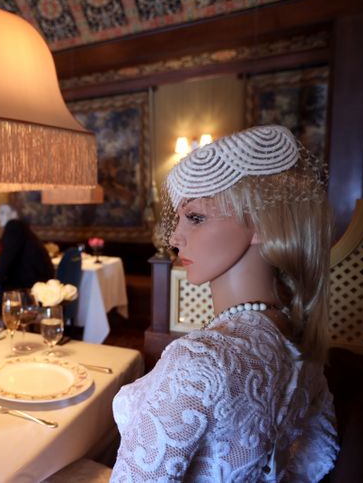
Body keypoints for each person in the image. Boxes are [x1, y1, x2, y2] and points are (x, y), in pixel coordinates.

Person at [111, 126, 339, 481]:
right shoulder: (297, 340)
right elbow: (317, 456)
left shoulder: (201, 360)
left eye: (196, 217)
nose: (174, 237)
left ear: (261, 223)